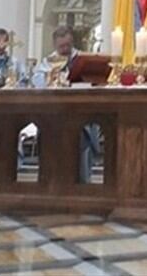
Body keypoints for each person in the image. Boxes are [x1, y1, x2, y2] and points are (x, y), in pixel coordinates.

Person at [32, 26, 98, 182]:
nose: (65, 49)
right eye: (61, 47)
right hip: (53, 113)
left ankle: (82, 183)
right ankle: (51, 181)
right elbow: (38, 82)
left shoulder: (82, 59)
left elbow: (92, 79)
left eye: (68, 45)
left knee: (81, 149)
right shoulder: (47, 62)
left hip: (79, 112)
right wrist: (52, 77)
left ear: (72, 42)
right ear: (55, 45)